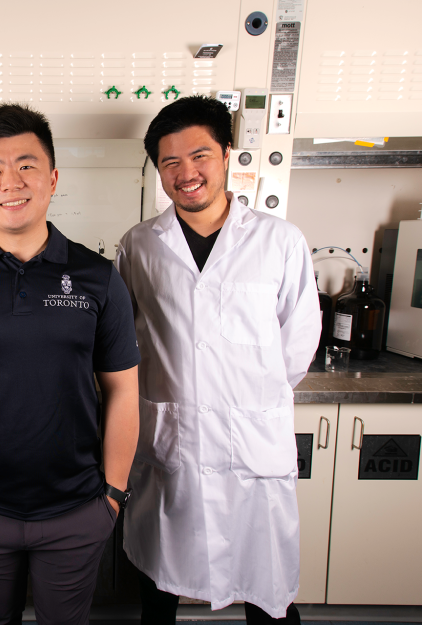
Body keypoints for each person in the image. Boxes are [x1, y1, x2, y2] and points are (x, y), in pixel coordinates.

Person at [0, 103, 141, 625]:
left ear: (52, 178)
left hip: (76, 509)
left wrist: (111, 495)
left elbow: (124, 391)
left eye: (26, 164)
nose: (10, 181)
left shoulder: (97, 277)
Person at [116, 95, 321, 625]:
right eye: (170, 162)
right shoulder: (139, 246)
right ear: (158, 169)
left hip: (252, 444)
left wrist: (247, 398)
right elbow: (123, 344)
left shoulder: (280, 241)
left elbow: (297, 343)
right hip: (171, 445)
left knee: (268, 592)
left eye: (200, 155)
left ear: (227, 154)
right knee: (158, 592)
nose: (187, 173)